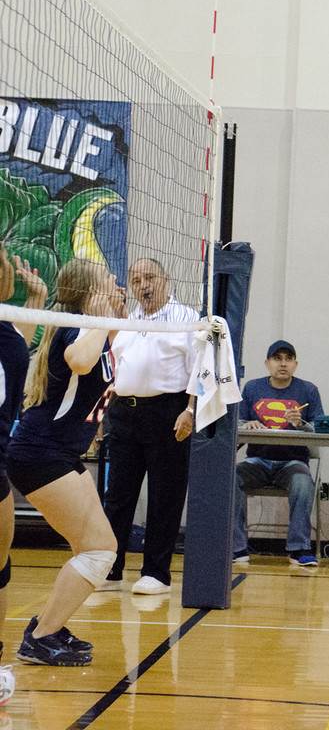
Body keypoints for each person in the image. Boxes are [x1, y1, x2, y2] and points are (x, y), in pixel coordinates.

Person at [9, 259, 125, 666]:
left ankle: (49, 627)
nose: (118, 283)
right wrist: (104, 319)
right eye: (110, 279)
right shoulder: (79, 326)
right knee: (100, 550)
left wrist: (112, 321)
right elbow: (79, 360)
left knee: (91, 547)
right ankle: (40, 637)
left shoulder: (94, 327)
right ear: (91, 292)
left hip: (57, 452)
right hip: (42, 453)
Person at [98, 258, 199, 595]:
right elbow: (116, 364)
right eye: (136, 278)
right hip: (124, 412)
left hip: (167, 412)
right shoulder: (127, 319)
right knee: (118, 496)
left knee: (164, 496)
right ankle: (111, 569)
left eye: (150, 277)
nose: (143, 284)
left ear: (165, 279)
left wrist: (189, 410)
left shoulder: (185, 318)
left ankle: (156, 573)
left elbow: (198, 369)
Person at [0, 247, 46, 691]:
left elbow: (20, 331)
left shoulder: (12, 343)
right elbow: (21, 331)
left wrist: (35, 300)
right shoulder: (13, 344)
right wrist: (37, 298)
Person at [234, 340, 323, 566]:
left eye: (288, 359)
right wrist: (248, 425)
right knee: (230, 479)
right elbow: (238, 422)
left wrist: (301, 423)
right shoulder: (252, 388)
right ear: (267, 363)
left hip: (293, 462)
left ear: (295, 364)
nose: (282, 364)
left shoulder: (308, 390)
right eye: (277, 359)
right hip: (257, 461)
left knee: (303, 484)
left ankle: (299, 548)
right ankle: (237, 547)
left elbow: (320, 428)